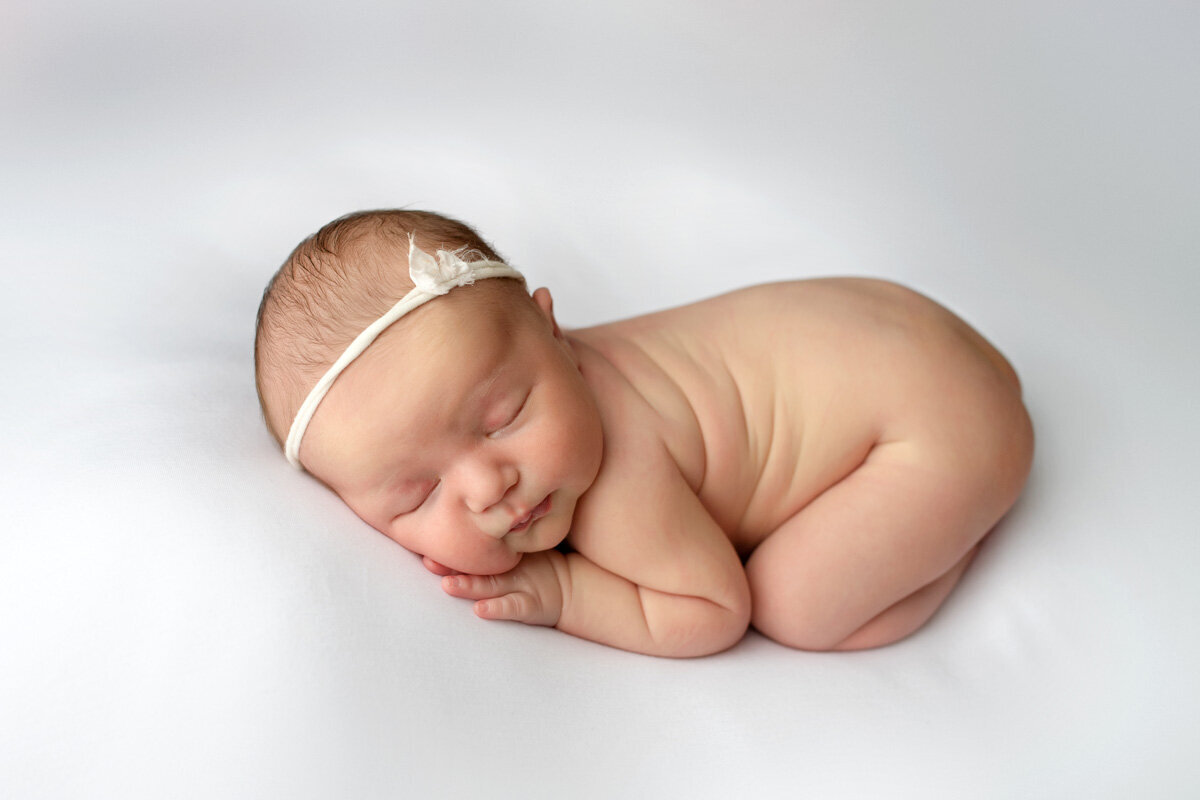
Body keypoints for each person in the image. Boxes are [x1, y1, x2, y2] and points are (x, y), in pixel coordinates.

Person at [254, 209, 1033, 657]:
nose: (490, 485)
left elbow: (711, 610)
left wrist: (565, 591)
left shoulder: (617, 482)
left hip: (940, 427)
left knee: (794, 607)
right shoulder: (544, 374)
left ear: (553, 330)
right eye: (420, 493)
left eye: (503, 419)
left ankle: (972, 516)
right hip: (902, 327)